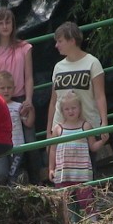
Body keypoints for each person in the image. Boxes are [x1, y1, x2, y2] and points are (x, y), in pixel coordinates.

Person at [0, 7, 41, 183]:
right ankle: (4, 182)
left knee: (30, 142)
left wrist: (29, 100)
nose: (5, 26)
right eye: (1, 22)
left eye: (8, 22)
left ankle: (36, 182)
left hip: (21, 99)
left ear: (13, 24)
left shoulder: (24, 48)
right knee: (1, 141)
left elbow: (28, 77)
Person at [46, 21, 109, 176]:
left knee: (87, 172)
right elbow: (54, 101)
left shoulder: (92, 63)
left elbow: (100, 95)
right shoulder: (58, 67)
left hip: (86, 126)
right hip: (61, 129)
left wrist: (104, 123)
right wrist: (49, 130)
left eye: (60, 41)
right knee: (63, 174)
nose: (56, 45)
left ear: (72, 41)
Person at [48, 91, 106, 220]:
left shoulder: (85, 126)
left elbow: (93, 146)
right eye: (67, 109)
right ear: (62, 111)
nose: (70, 111)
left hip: (82, 173)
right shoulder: (58, 129)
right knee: (64, 201)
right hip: (63, 173)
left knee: (87, 200)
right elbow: (52, 150)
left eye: (73, 108)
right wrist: (51, 168)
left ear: (79, 108)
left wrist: (102, 141)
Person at [0, 71, 34, 185]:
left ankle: (15, 196)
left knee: (14, 174)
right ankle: (1, 195)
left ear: (14, 89)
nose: (6, 90)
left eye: (9, 88)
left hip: (17, 146)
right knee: (1, 173)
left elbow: (28, 123)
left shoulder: (18, 106)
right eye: (3, 88)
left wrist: (31, 110)